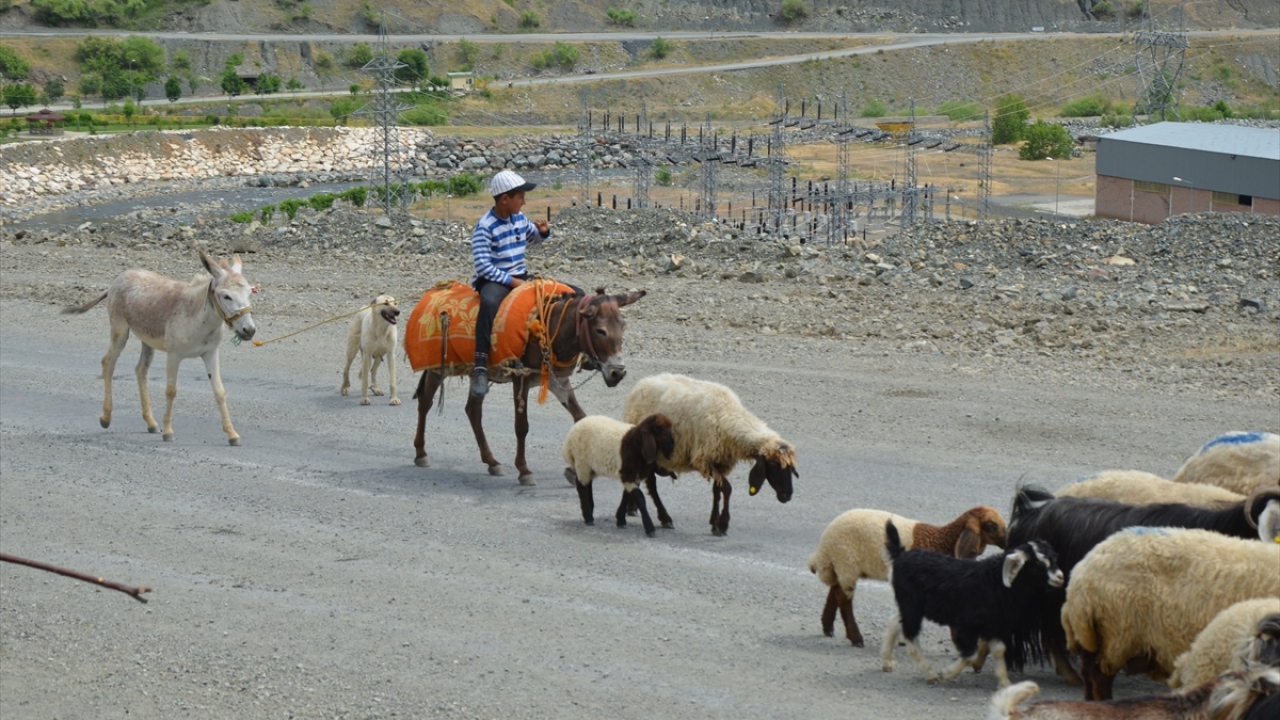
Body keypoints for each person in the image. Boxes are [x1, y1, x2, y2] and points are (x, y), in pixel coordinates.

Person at [469, 170, 551, 398]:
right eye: (520, 197)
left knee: (557, 296)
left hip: (520, 275)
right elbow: (483, 267)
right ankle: (480, 366)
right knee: (488, 304)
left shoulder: (519, 219)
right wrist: (512, 282)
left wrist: (543, 233)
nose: (524, 202)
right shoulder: (484, 227)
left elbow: (532, 237)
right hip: (495, 279)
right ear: (505, 199)